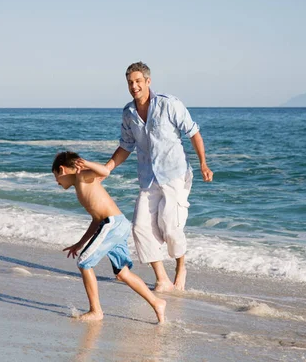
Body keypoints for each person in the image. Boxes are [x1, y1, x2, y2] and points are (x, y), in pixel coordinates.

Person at [105, 61, 213, 292]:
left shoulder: (169, 104)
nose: (134, 86)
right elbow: (125, 146)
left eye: (138, 81)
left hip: (175, 174)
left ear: (148, 81)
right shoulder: (129, 113)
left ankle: (181, 267)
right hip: (148, 178)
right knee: (140, 227)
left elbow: (193, 133)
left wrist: (204, 164)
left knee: (170, 225)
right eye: (130, 83)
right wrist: (107, 168)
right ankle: (162, 278)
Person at [52, 151, 166, 323]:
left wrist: (87, 164)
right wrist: (80, 243)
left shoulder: (83, 177)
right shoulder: (80, 187)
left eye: (56, 177)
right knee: (122, 273)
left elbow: (105, 171)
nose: (57, 182)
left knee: (84, 263)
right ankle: (157, 303)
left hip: (112, 224)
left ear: (62, 170)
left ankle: (96, 311)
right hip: (116, 225)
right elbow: (96, 220)